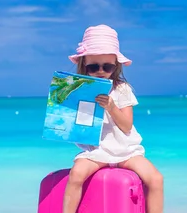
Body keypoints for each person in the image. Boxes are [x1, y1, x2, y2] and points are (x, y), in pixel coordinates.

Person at [62, 24, 164, 213]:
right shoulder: (80, 91)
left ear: (115, 65)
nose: (100, 71)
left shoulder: (121, 89)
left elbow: (126, 126)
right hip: (96, 151)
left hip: (126, 151)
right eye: (93, 66)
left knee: (156, 179)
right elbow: (74, 127)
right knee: (76, 175)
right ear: (84, 65)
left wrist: (111, 107)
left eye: (107, 66)